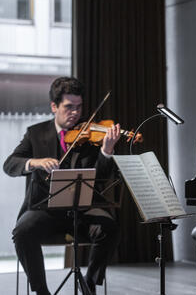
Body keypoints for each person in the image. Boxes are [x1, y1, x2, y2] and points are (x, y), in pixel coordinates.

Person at [3, 77, 121, 295]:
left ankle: (91, 281)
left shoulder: (90, 133)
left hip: (81, 211)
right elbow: (9, 165)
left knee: (109, 227)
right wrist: (34, 162)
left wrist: (106, 152)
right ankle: (42, 291)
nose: (75, 113)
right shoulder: (35, 134)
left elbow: (102, 176)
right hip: (44, 211)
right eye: (69, 107)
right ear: (54, 106)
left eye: (79, 107)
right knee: (22, 232)